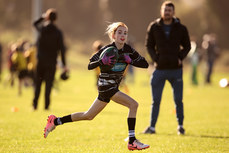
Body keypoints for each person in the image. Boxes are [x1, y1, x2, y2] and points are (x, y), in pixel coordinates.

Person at [44, 22, 150, 150]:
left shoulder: (128, 50)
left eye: (125, 33)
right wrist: (101, 61)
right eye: (120, 32)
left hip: (112, 87)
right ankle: (132, 141)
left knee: (88, 116)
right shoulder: (106, 49)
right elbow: (90, 65)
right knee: (134, 105)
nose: (123, 35)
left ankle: (55, 121)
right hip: (106, 85)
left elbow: (145, 64)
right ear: (113, 35)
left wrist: (131, 61)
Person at [144, 1, 191, 135]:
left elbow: (187, 46)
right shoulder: (154, 27)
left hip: (176, 70)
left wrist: (180, 57)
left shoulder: (181, 28)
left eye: (169, 10)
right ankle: (152, 127)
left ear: (173, 12)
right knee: (156, 100)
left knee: (178, 100)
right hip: (159, 69)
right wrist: (156, 59)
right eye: (165, 10)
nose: (167, 12)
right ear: (161, 11)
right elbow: (148, 45)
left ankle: (180, 126)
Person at [32, 8, 68, 110]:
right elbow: (62, 50)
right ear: (56, 19)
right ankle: (46, 106)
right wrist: (64, 65)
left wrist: (42, 18)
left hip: (41, 61)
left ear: (47, 17)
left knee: (38, 84)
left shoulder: (42, 29)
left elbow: (34, 24)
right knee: (48, 84)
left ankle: (35, 105)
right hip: (51, 62)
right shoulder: (58, 32)